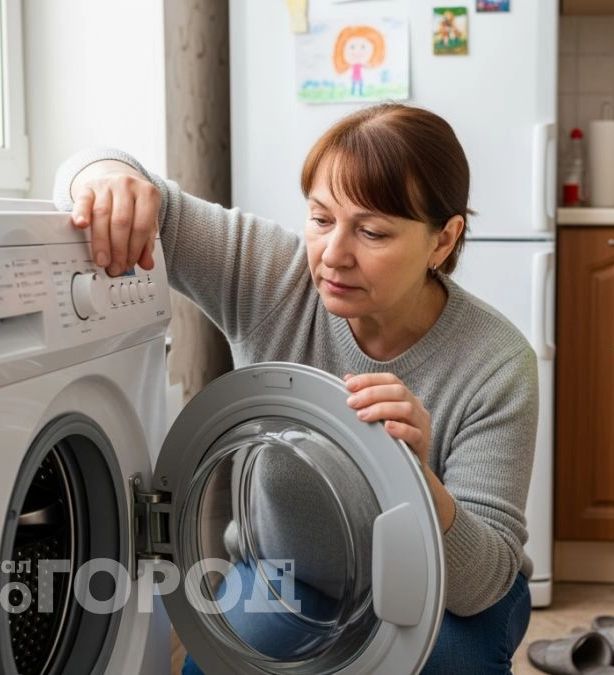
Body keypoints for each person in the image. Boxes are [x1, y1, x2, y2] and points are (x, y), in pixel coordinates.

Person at [53, 103, 537, 674]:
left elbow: (482, 584)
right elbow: (116, 182)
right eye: (321, 218)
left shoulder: (497, 363)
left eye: (373, 231)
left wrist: (418, 482)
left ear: (442, 240)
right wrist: (106, 179)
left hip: (440, 593)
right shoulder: (272, 275)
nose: (333, 255)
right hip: (290, 577)